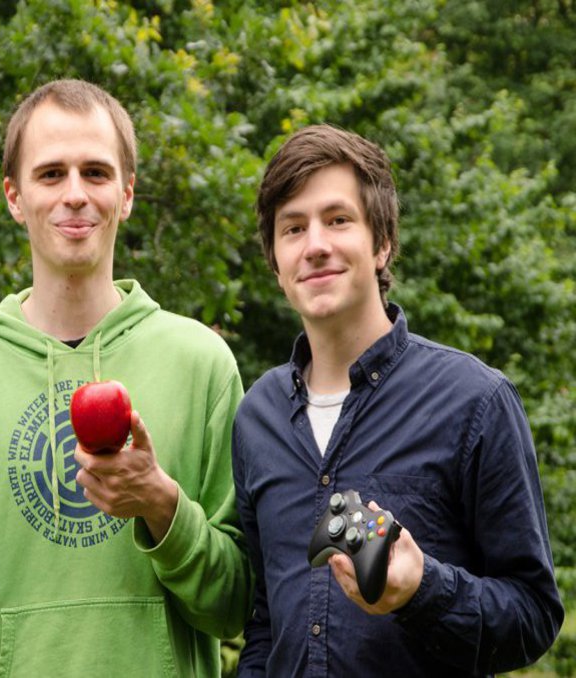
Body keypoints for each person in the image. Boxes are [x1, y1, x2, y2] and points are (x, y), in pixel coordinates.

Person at [0, 78, 253, 677]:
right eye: (50, 174)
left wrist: (162, 506)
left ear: (127, 194)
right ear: (15, 198)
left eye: (96, 172)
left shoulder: (201, 365)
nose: (75, 195)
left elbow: (237, 606)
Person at [233, 124, 564, 676]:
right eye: (293, 228)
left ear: (381, 242)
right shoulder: (257, 417)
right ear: (275, 259)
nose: (315, 245)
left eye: (338, 220)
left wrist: (422, 590)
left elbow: (532, 615)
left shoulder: (474, 401)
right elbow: (266, 622)